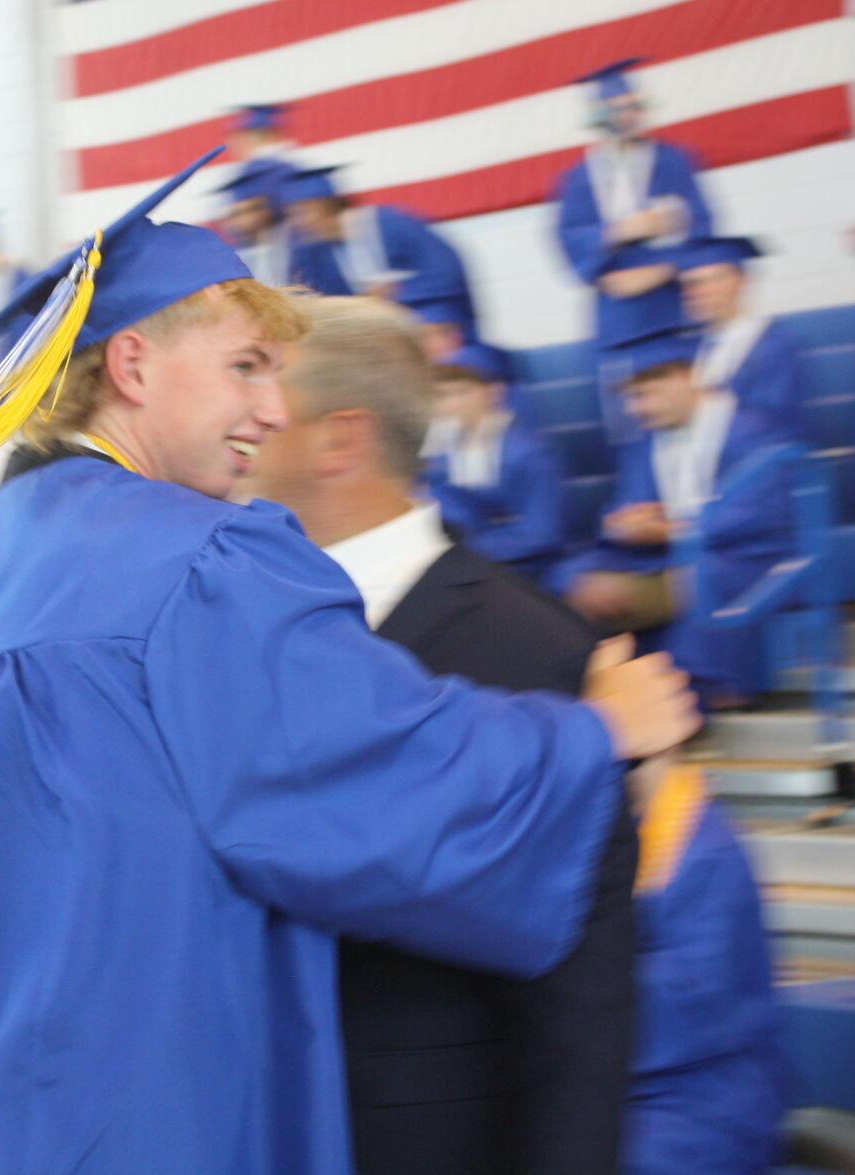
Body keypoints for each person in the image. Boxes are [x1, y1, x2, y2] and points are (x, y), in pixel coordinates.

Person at [0, 148, 697, 1175]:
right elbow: (385, 778)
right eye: (245, 365)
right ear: (130, 366)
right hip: (181, 1128)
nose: (272, 408)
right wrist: (596, 730)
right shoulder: (212, 564)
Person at [249, 296, 634, 1175]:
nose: (244, 424)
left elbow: (576, 993)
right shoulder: (234, 624)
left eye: (265, 397)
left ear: (338, 438)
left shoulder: (530, 644)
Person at [564, 328, 797, 707]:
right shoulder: (648, 440)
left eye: (644, 394)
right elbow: (625, 506)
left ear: (684, 378)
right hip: (666, 552)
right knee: (575, 576)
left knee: (701, 578)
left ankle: (689, 695)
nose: (635, 408)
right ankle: (605, 695)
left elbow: (760, 513)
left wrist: (675, 530)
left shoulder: (753, 432)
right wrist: (623, 523)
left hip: (745, 554)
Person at [626, 752, 788, 1175]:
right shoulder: (627, 832)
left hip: (700, 1103)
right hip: (634, 1092)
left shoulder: (705, 851)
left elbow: (692, 1005)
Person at [554, 58, 714, 356]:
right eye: (616, 109)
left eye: (631, 107)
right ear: (598, 115)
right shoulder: (577, 178)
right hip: (618, 318)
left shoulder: (673, 161)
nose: (625, 117)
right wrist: (616, 232)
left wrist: (663, 271)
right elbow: (568, 240)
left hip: (675, 308)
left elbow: (704, 227)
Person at [421, 342, 569, 585]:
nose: (449, 405)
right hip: (464, 563)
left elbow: (541, 534)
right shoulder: (442, 451)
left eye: (461, 392)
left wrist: (464, 547)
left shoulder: (527, 454)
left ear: (494, 392)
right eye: (440, 395)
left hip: (523, 569)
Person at [282, 165, 479, 337]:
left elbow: (446, 269)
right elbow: (314, 301)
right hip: (373, 336)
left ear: (326, 206)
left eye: (303, 212)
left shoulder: (391, 222)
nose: (298, 223)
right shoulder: (317, 251)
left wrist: (396, 292)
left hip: (430, 322)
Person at [678, 237, 806, 435]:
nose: (698, 292)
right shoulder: (690, 350)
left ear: (741, 281)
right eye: (691, 284)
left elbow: (774, 423)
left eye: (712, 280)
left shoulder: (775, 345)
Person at [215, 156, 300, 287]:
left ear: (266, 211)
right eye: (234, 214)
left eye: (247, 211)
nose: (240, 221)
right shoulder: (232, 260)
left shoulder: (295, 248)